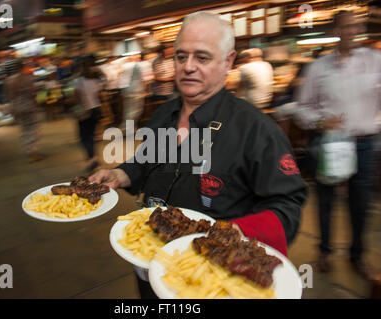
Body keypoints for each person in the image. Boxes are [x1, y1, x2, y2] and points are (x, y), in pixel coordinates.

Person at [90, 11, 307, 298]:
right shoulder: (163, 114)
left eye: (202, 58)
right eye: (181, 57)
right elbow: (145, 162)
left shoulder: (257, 131)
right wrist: (121, 174)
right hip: (147, 261)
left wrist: (227, 235)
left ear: (228, 61)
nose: (188, 67)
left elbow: (287, 206)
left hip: (207, 279)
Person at [296, 11, 381, 279]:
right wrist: (320, 122)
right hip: (331, 144)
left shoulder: (376, 61)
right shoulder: (319, 67)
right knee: (326, 201)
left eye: (355, 26)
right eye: (346, 27)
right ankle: (325, 251)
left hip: (365, 144)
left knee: (361, 204)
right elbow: (301, 107)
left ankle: (358, 254)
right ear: (335, 30)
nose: (352, 31)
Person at [4, 59, 43, 162]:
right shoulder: (28, 79)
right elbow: (32, 94)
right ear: (22, 67)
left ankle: (28, 150)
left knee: (24, 129)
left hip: (18, 107)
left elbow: (10, 96)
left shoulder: (10, 81)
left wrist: (13, 109)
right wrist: (35, 104)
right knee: (33, 129)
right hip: (29, 107)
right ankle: (33, 151)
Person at [71, 55, 103, 171]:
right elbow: (98, 95)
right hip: (96, 109)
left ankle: (92, 159)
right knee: (91, 135)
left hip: (85, 111)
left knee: (84, 137)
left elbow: (76, 98)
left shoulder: (78, 81)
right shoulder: (96, 79)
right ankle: (94, 158)